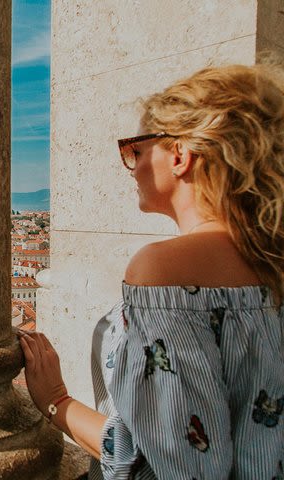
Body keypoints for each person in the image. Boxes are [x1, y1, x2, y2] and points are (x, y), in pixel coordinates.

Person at [19, 62, 284, 479]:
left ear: (179, 154)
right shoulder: (272, 262)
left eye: (136, 150)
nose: (132, 166)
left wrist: (56, 400)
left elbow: (160, 462)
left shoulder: (166, 272)